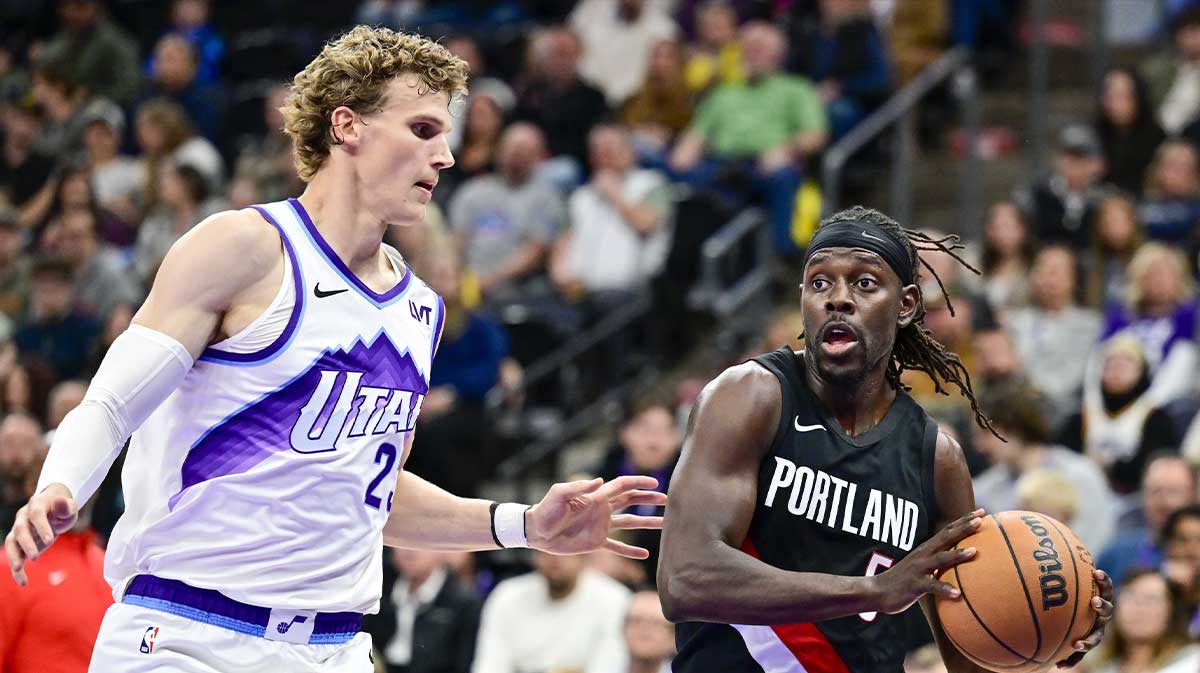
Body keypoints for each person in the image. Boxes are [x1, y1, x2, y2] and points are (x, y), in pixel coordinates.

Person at [5, 26, 666, 673]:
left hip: (333, 646)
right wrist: (62, 482)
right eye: (424, 129)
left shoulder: (419, 309)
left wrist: (525, 525)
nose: (446, 157)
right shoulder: (245, 247)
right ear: (347, 125)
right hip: (187, 632)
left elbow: (371, 495)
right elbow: (113, 402)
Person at [656, 206, 1113, 673]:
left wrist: (1051, 640)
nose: (837, 298)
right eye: (819, 283)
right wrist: (873, 592)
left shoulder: (936, 457)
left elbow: (969, 658)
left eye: (865, 283)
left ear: (907, 305)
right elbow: (685, 580)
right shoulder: (751, 396)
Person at [472, 551, 631, 673]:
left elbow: (609, 665)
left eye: (567, 547)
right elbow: (489, 664)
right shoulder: (506, 595)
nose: (556, 556)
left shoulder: (614, 599)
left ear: (585, 552)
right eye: (548, 546)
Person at [1088, 570, 1200, 673]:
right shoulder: (1097, 666)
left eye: (1151, 599)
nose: (1139, 608)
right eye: (1130, 596)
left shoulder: (1192, 662)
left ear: (1172, 611)